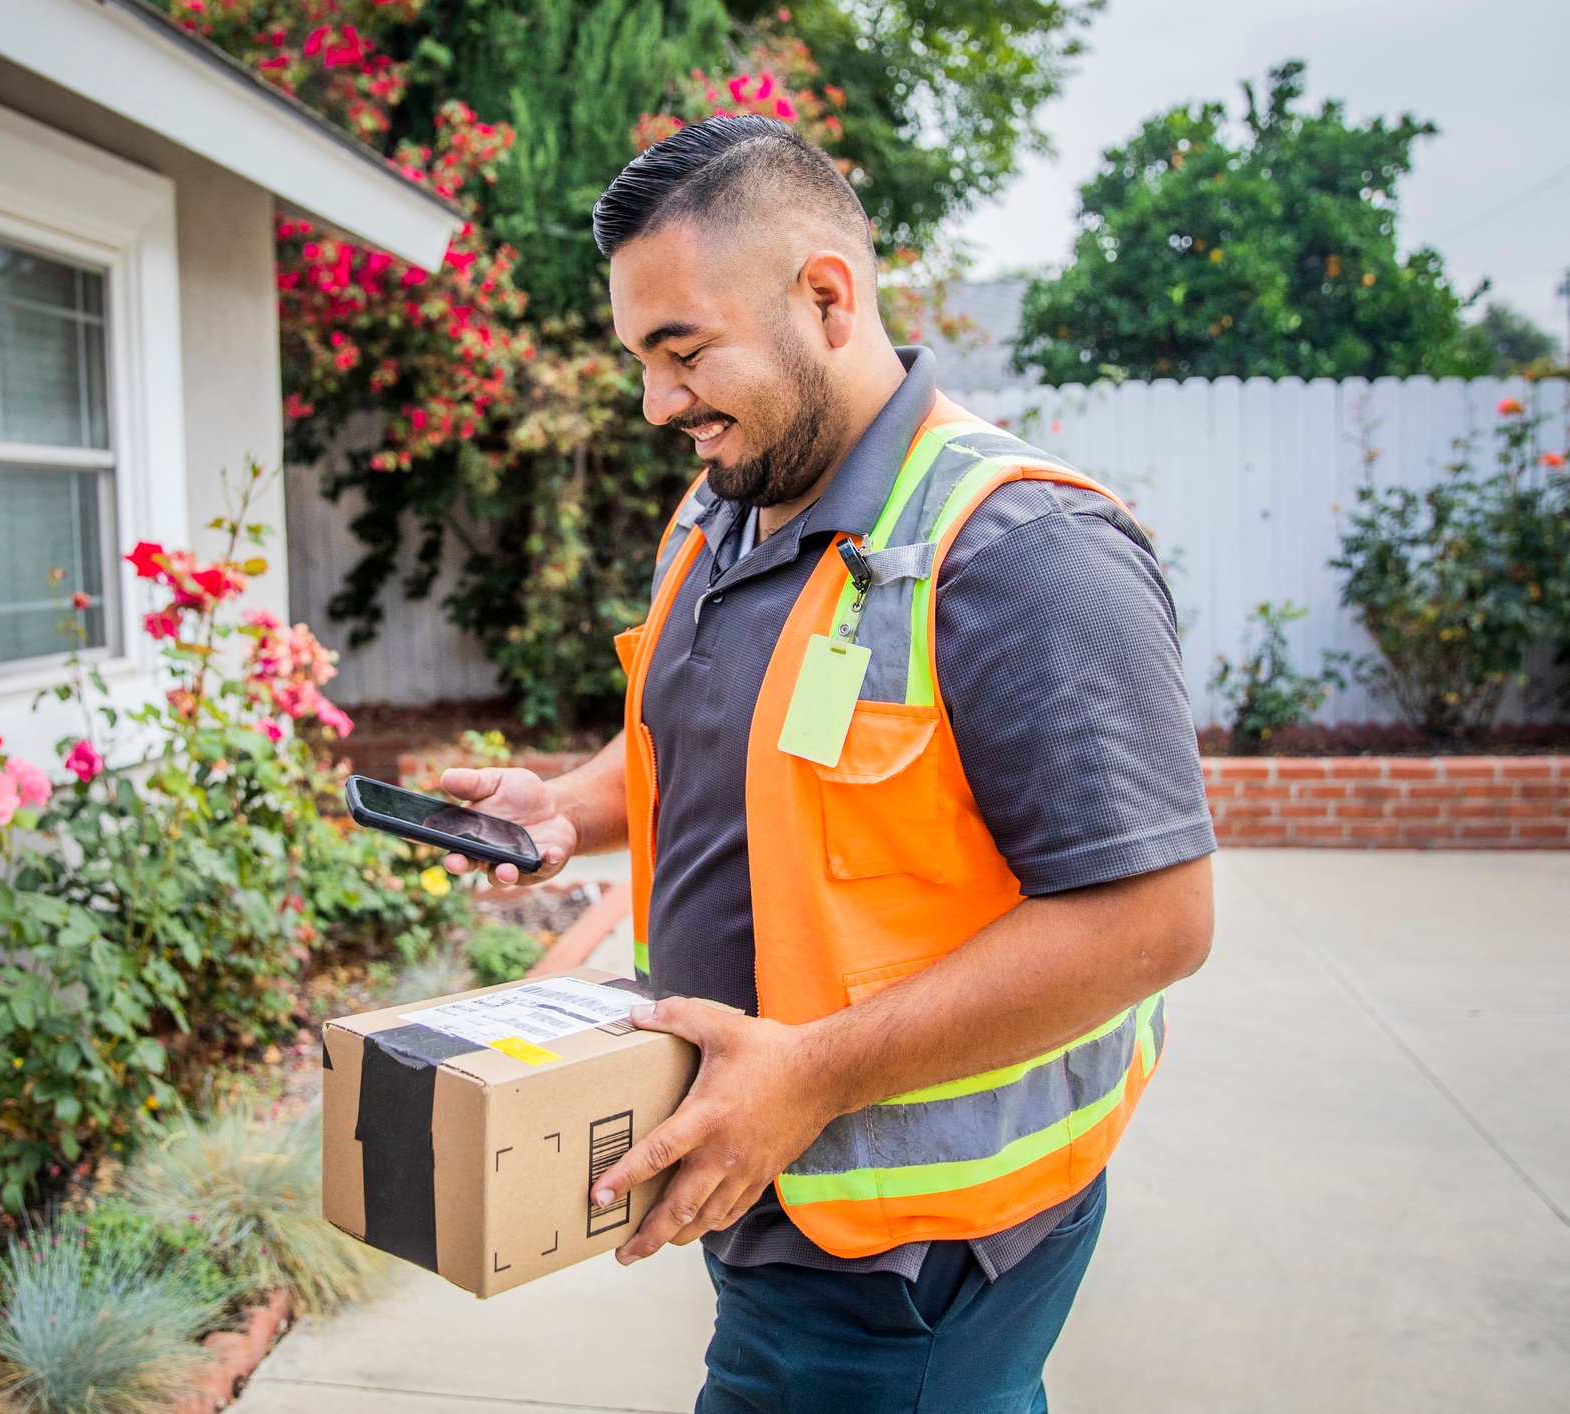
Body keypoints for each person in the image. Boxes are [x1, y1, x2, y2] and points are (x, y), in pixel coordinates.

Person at [437, 115, 1216, 1414]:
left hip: (913, 1255)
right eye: (640, 358)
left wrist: (810, 1073)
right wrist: (572, 804)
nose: (655, 402)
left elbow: (1154, 918)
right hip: (778, 1197)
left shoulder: (1023, 550)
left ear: (825, 298)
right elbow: (733, 740)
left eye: (681, 352)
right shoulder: (726, 500)